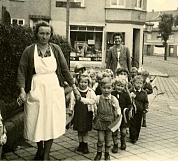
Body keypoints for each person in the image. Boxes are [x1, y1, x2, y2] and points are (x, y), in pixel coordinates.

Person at [16, 21, 81, 160]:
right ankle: (40, 149)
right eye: (41, 33)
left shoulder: (56, 49)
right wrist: (22, 91)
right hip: (36, 88)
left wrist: (74, 88)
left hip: (53, 89)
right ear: (36, 34)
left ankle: (46, 155)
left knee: (50, 121)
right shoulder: (29, 50)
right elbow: (21, 71)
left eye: (47, 34)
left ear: (50, 35)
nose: (44, 37)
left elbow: (64, 69)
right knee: (36, 120)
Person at [93, 77, 121, 161]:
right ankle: (99, 153)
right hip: (100, 121)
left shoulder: (113, 99)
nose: (106, 90)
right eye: (104, 88)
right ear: (101, 88)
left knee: (108, 139)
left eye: (109, 88)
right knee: (100, 139)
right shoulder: (98, 98)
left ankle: (107, 154)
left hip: (110, 122)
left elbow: (117, 108)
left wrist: (119, 114)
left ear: (112, 88)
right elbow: (92, 102)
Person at [69, 74, 96, 154]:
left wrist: (83, 100)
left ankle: (85, 145)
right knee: (79, 130)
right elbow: (72, 102)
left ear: (88, 83)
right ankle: (80, 144)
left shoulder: (90, 91)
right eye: (81, 82)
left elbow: (93, 101)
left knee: (85, 130)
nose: (83, 84)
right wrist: (70, 110)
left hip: (87, 113)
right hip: (78, 113)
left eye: (85, 82)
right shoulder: (75, 91)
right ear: (78, 82)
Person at [111, 77, 132, 153]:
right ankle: (115, 144)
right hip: (114, 115)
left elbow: (129, 104)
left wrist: (128, 109)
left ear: (124, 87)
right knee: (114, 131)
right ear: (114, 85)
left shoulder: (126, 94)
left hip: (123, 116)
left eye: (122, 86)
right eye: (118, 85)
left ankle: (123, 141)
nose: (120, 88)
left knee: (123, 131)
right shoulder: (112, 93)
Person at [129, 75, 149, 144]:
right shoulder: (130, 91)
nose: (138, 85)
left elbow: (146, 102)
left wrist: (145, 108)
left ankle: (136, 135)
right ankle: (133, 137)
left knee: (138, 123)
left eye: (140, 83)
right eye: (137, 83)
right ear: (133, 83)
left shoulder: (144, 93)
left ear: (143, 84)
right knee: (132, 123)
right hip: (132, 111)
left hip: (140, 111)